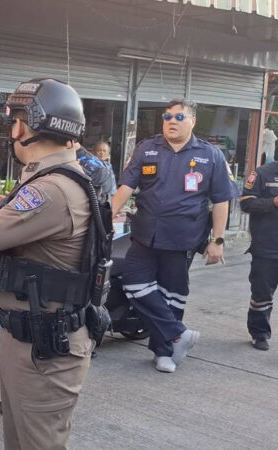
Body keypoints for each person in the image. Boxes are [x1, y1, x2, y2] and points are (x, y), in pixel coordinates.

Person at [0, 78, 99, 449]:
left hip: (43, 345)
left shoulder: (51, 190)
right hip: (30, 336)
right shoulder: (52, 179)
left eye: (15, 121)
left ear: (24, 127)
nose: (13, 130)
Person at [111, 99, 234, 373]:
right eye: (167, 117)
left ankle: (163, 352)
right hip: (145, 235)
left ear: (193, 121)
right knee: (133, 284)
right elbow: (126, 186)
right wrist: (108, 214)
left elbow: (221, 200)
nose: (171, 122)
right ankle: (179, 333)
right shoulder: (146, 148)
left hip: (183, 239)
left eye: (179, 117)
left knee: (172, 296)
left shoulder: (211, 155)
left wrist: (217, 240)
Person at [239, 161, 278, 350]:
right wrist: (273, 202)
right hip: (267, 247)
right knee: (262, 294)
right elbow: (245, 203)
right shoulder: (262, 173)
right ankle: (259, 333)